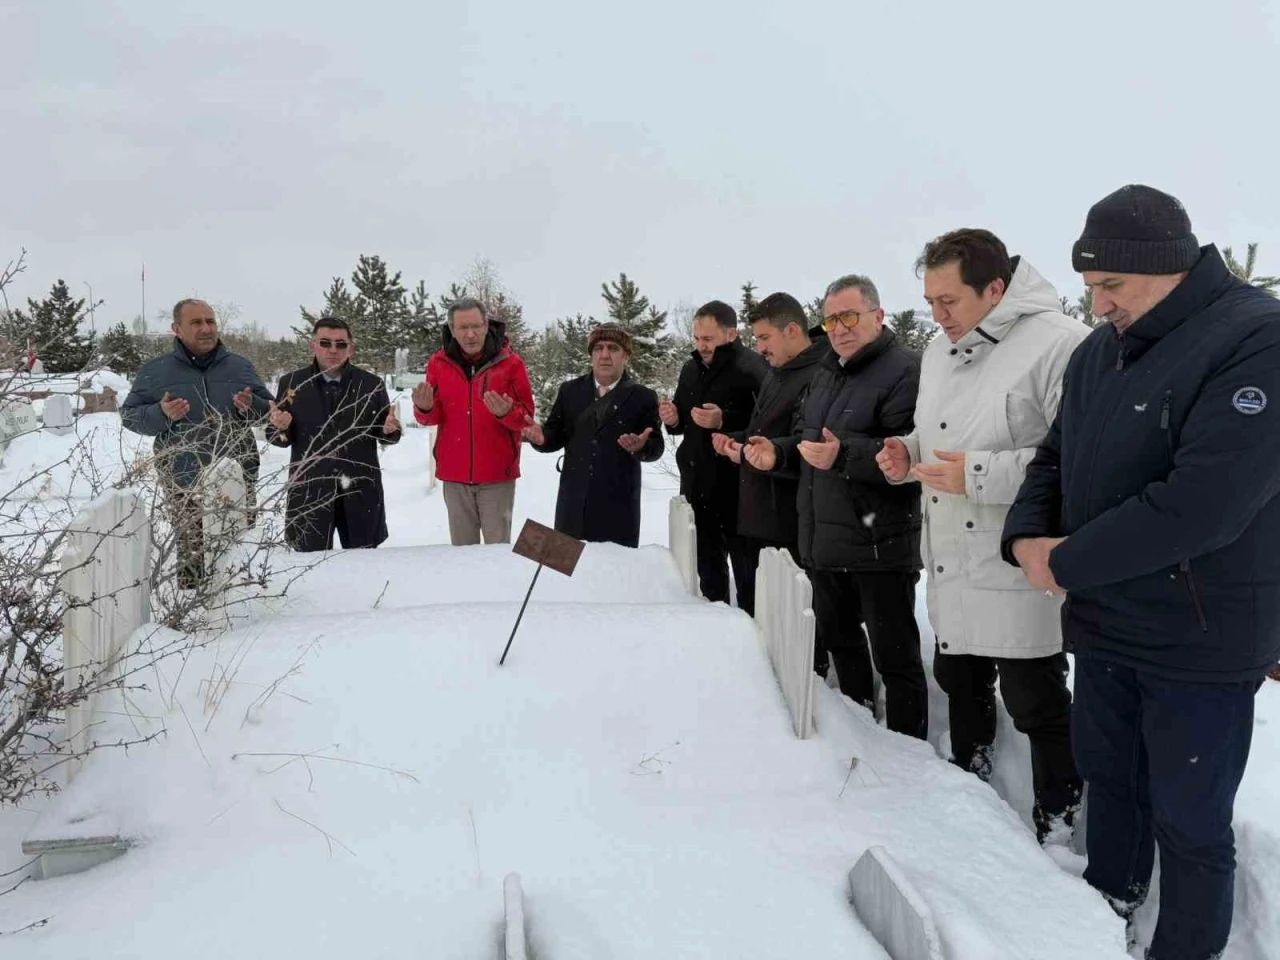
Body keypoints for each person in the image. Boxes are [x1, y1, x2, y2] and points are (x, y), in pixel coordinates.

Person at [1001, 185, 1280, 960]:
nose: (1098, 305)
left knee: (1190, 819)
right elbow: (1054, 456)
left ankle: (1187, 949)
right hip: (1106, 624)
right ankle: (1103, 919)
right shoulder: (1100, 352)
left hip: (1200, 637)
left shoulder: (1255, 338)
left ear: (1170, 267)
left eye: (1111, 285)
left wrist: (1064, 560)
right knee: (1113, 789)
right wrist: (1025, 536)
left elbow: (1204, 504)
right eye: (1090, 286)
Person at [876, 228, 1088, 842]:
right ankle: (969, 788)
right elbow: (937, 435)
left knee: (1036, 702)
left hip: (1015, 563)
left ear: (995, 289)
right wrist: (906, 451)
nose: (937, 316)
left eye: (949, 301)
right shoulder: (939, 351)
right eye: (930, 302)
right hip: (951, 559)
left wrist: (975, 474)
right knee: (961, 684)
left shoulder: (1061, 344)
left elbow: (1076, 461)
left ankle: (1059, 822)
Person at [745, 275, 927, 739]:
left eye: (850, 316)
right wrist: (779, 453)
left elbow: (907, 452)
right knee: (843, 647)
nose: (840, 328)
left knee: (895, 658)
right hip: (825, 540)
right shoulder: (827, 372)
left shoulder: (906, 370)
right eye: (831, 320)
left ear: (878, 315)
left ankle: (910, 751)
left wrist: (844, 455)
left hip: (880, 545)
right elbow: (811, 442)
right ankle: (857, 733)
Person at [121, 298, 272, 587]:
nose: (206, 328)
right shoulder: (156, 371)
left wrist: (251, 406)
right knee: (193, 561)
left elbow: (268, 411)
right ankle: (191, 609)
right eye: (196, 322)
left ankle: (243, 607)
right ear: (177, 329)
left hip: (237, 478)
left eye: (210, 321)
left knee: (238, 556)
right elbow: (129, 416)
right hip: (184, 483)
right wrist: (161, 414)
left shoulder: (239, 367)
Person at [710, 292, 829, 616]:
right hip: (760, 516)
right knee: (762, 618)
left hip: (788, 525)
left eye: (765, 337)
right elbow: (764, 431)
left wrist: (767, 452)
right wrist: (736, 441)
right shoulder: (778, 371)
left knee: (791, 624)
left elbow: (806, 444)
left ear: (791, 330)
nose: (760, 347)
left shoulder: (819, 374)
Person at [660, 300, 767, 608]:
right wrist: (673, 419)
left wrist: (725, 420)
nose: (701, 346)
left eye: (708, 339)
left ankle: (749, 628)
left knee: (748, 574)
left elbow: (769, 424)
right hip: (697, 484)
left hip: (738, 489)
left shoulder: (753, 368)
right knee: (708, 575)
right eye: (697, 338)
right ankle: (714, 626)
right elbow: (683, 420)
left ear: (731, 334)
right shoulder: (690, 369)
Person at [267, 317, 401, 551]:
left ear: (351, 349)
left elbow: (385, 431)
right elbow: (278, 435)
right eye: (325, 343)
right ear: (313, 345)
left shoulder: (370, 384)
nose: (333, 350)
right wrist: (280, 428)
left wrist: (389, 430)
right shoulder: (293, 383)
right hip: (310, 492)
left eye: (340, 344)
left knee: (364, 562)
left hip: (359, 490)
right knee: (309, 564)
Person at [522, 324, 663, 547]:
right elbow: (555, 434)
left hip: (618, 506)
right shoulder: (569, 391)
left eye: (613, 348)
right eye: (598, 348)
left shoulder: (642, 397)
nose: (605, 355)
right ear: (591, 354)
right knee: (566, 564)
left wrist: (641, 447)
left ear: (625, 356)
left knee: (612, 567)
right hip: (573, 503)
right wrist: (542, 438)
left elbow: (655, 446)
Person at [411, 296, 534, 546]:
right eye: (463, 327)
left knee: (497, 550)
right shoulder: (438, 363)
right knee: (462, 552)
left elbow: (526, 418)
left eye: (476, 326)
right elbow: (433, 415)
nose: (470, 334)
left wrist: (506, 413)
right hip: (454, 475)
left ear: (486, 325)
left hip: (497, 475)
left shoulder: (511, 363)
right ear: (452, 329)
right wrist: (424, 408)